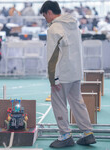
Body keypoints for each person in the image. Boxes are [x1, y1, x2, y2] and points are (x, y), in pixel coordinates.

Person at [40, 1, 96, 148]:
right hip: (76, 72)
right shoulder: (73, 25)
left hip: (62, 74)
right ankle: (87, 133)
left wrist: (53, 78)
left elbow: (53, 55)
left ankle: (65, 135)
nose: (45, 19)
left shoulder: (54, 28)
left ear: (50, 12)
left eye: (45, 15)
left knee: (59, 104)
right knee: (77, 102)